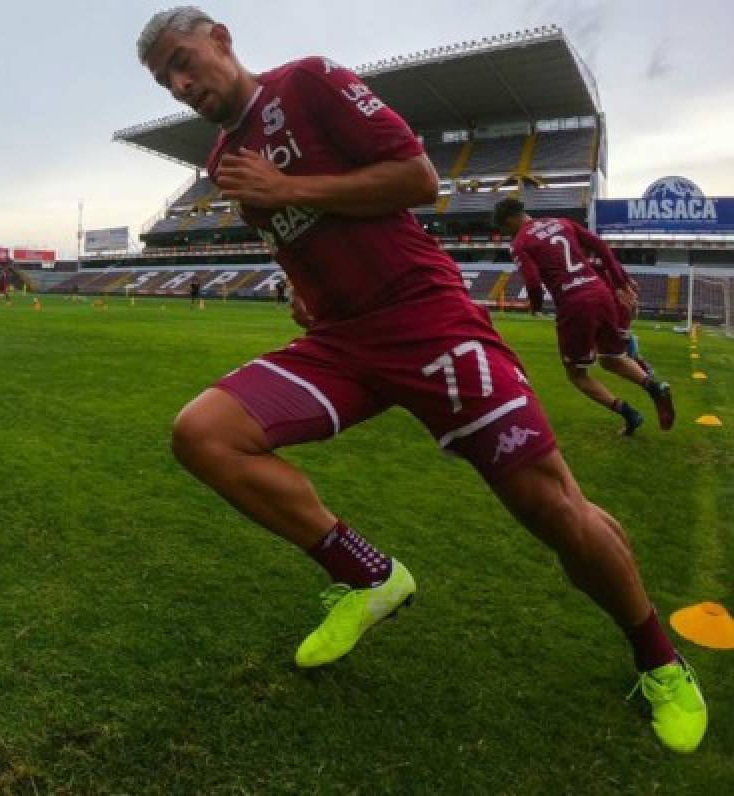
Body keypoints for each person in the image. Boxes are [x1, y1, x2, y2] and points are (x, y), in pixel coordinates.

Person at [137, 6, 705, 753]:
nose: (181, 84)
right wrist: (301, 286)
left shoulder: (309, 82)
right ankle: (370, 576)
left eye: (184, 59)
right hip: (342, 341)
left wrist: (290, 189)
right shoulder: (220, 161)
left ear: (221, 40)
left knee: (552, 508)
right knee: (203, 434)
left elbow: (418, 178)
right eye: (165, 78)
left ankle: (660, 661)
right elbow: (283, 233)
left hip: (426, 318)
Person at [493, 198, 674, 436]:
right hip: (600, 292)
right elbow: (600, 245)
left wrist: (535, 306)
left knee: (577, 374)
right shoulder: (562, 222)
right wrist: (620, 282)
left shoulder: (520, 243)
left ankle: (629, 413)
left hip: (574, 302)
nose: (507, 234)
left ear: (509, 220)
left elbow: (533, 283)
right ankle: (654, 386)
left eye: (505, 229)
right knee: (611, 358)